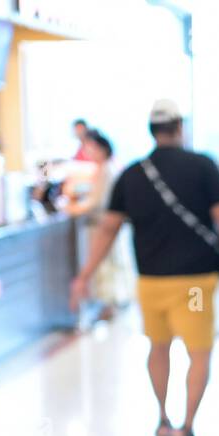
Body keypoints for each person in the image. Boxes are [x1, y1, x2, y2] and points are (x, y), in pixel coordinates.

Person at [69, 99, 219, 436]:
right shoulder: (203, 166)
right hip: (193, 284)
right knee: (199, 353)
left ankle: (163, 419)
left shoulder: (133, 174)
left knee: (158, 347)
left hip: (151, 284)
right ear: (178, 127)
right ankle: (187, 426)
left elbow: (107, 230)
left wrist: (84, 275)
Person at [67, 130, 132, 322]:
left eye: (91, 147)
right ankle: (109, 306)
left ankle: (110, 306)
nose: (87, 151)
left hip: (104, 226)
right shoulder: (105, 168)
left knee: (107, 266)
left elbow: (97, 202)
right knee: (108, 265)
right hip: (105, 226)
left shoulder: (106, 169)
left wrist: (74, 208)